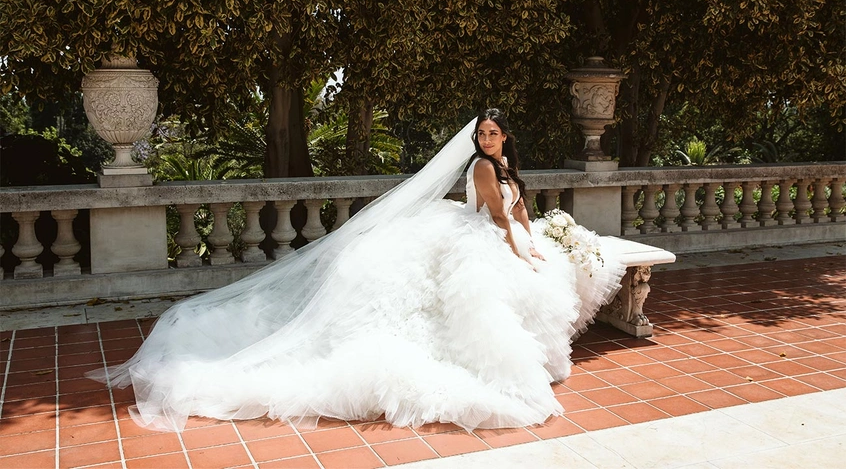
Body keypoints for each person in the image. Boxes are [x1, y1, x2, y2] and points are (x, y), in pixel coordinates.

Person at [89, 108, 625, 432]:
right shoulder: (484, 169)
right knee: (473, 303)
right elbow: (499, 220)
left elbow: (521, 212)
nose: (487, 140)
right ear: (477, 141)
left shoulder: (506, 165)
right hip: (479, 237)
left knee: (519, 289)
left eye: (493, 134)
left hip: (499, 234)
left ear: (505, 137)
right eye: (481, 134)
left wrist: (533, 242)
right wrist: (520, 250)